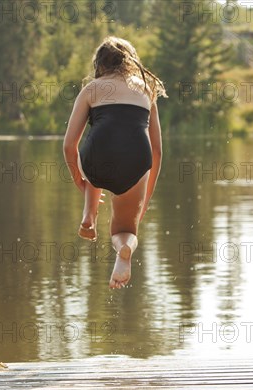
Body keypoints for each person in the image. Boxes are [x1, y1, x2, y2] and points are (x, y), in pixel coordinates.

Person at [63, 36, 167, 289]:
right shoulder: (145, 88)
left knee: (94, 152)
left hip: (97, 160)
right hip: (136, 160)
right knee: (125, 231)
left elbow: (69, 145)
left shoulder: (91, 89)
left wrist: (79, 179)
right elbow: (156, 151)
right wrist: (146, 195)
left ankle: (89, 214)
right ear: (131, 61)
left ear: (99, 64)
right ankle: (124, 250)